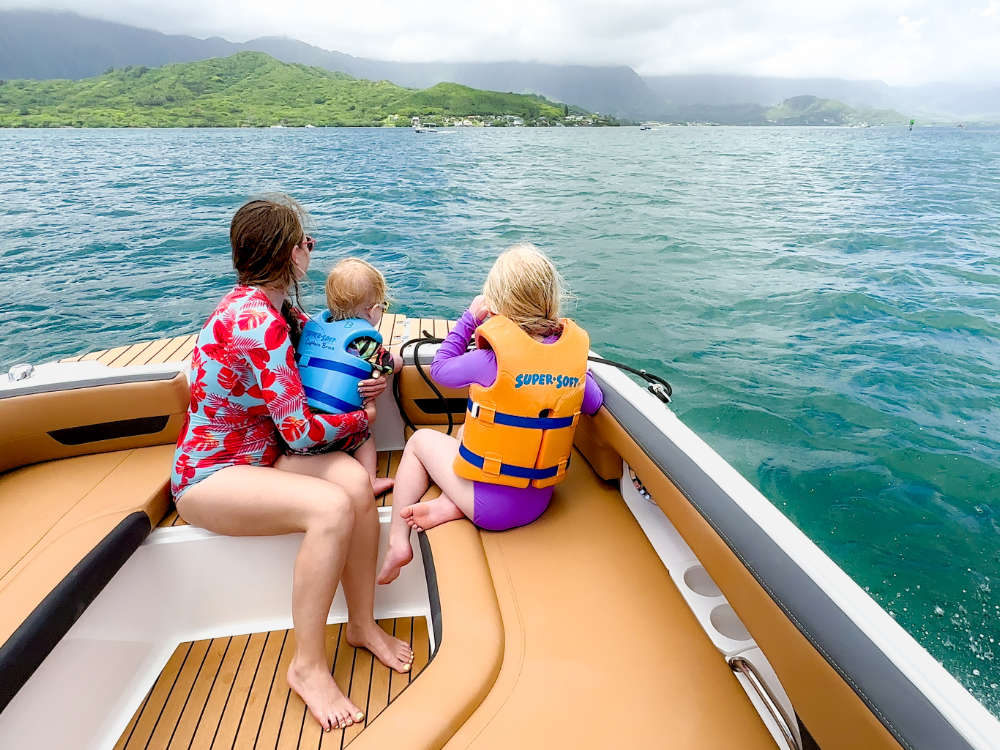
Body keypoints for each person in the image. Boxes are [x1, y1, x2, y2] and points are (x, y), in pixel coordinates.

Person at [171, 195, 413, 733]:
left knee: (354, 482)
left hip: (260, 460)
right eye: (306, 240)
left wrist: (381, 373)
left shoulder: (282, 311)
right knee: (330, 509)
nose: (313, 247)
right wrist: (363, 418)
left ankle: (362, 625)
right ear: (288, 255)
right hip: (212, 475)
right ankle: (307, 667)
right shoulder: (257, 323)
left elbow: (343, 345)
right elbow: (300, 432)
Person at [377, 243, 604, 585]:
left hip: (491, 510)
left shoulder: (491, 360)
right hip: (540, 500)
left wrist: (469, 319)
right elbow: (594, 401)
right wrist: (570, 368)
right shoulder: (568, 357)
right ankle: (453, 506)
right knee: (465, 435)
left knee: (421, 441)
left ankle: (397, 542)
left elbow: (439, 369)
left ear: (496, 302)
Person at [295, 258, 402, 496]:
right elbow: (389, 365)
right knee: (364, 436)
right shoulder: (362, 340)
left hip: (303, 427)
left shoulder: (315, 328)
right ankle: (370, 481)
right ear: (372, 310)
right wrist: (399, 360)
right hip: (339, 429)